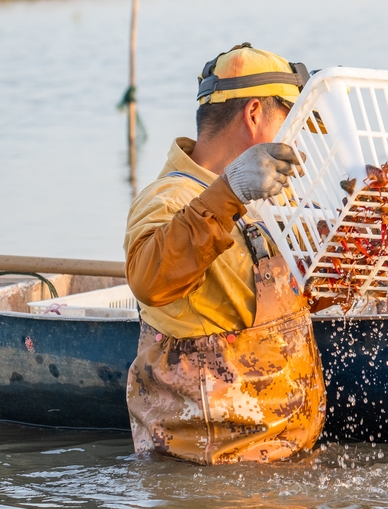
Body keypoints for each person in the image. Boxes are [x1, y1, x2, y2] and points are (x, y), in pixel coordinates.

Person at [123, 43, 332, 465]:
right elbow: (148, 279)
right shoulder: (169, 199)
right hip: (214, 476)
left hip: (286, 462)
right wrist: (229, 191)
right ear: (254, 114)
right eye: (292, 124)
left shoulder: (263, 194)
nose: (299, 144)